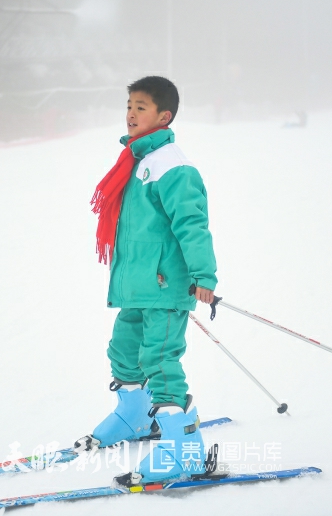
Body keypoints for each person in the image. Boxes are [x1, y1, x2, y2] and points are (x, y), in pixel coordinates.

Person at [80, 76, 218, 487]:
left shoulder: (173, 165)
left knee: (160, 364)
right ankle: (134, 417)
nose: (131, 114)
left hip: (164, 286)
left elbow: (193, 225)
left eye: (141, 107)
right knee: (123, 353)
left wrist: (202, 276)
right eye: (128, 106)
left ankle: (185, 453)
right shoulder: (136, 162)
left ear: (164, 116)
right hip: (137, 286)